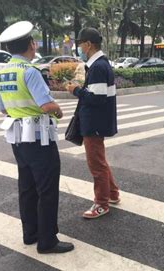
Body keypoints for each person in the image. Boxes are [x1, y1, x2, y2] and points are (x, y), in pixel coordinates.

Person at [0, 21, 74, 254]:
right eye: (33, 41)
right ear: (31, 44)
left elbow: (3, 109)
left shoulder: (2, 73)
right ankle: (47, 240)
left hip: (18, 138)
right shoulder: (30, 72)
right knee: (47, 188)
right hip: (39, 137)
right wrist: (59, 109)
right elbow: (47, 105)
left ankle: (30, 233)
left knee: (27, 186)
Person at [66, 27, 119, 219]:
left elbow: (97, 98)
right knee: (100, 160)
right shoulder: (100, 65)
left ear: (88, 44)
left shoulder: (97, 67)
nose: (78, 47)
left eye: (80, 43)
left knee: (96, 164)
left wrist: (76, 90)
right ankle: (112, 194)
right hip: (97, 121)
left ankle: (101, 204)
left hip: (95, 123)